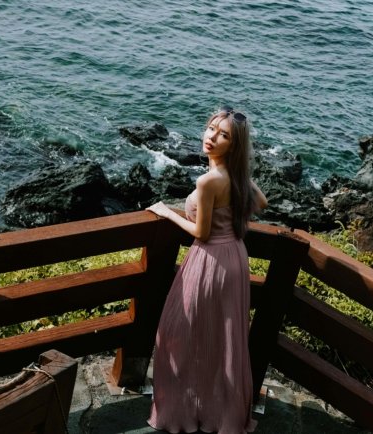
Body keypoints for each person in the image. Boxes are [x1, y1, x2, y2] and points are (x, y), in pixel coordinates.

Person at [145, 106, 268, 434]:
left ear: (234, 145)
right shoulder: (236, 177)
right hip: (235, 259)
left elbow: (200, 232)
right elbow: (262, 203)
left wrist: (167, 213)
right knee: (224, 340)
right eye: (211, 128)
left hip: (210, 261)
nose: (212, 137)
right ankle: (221, 414)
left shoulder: (209, 181)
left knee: (180, 333)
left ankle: (184, 410)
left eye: (223, 134)